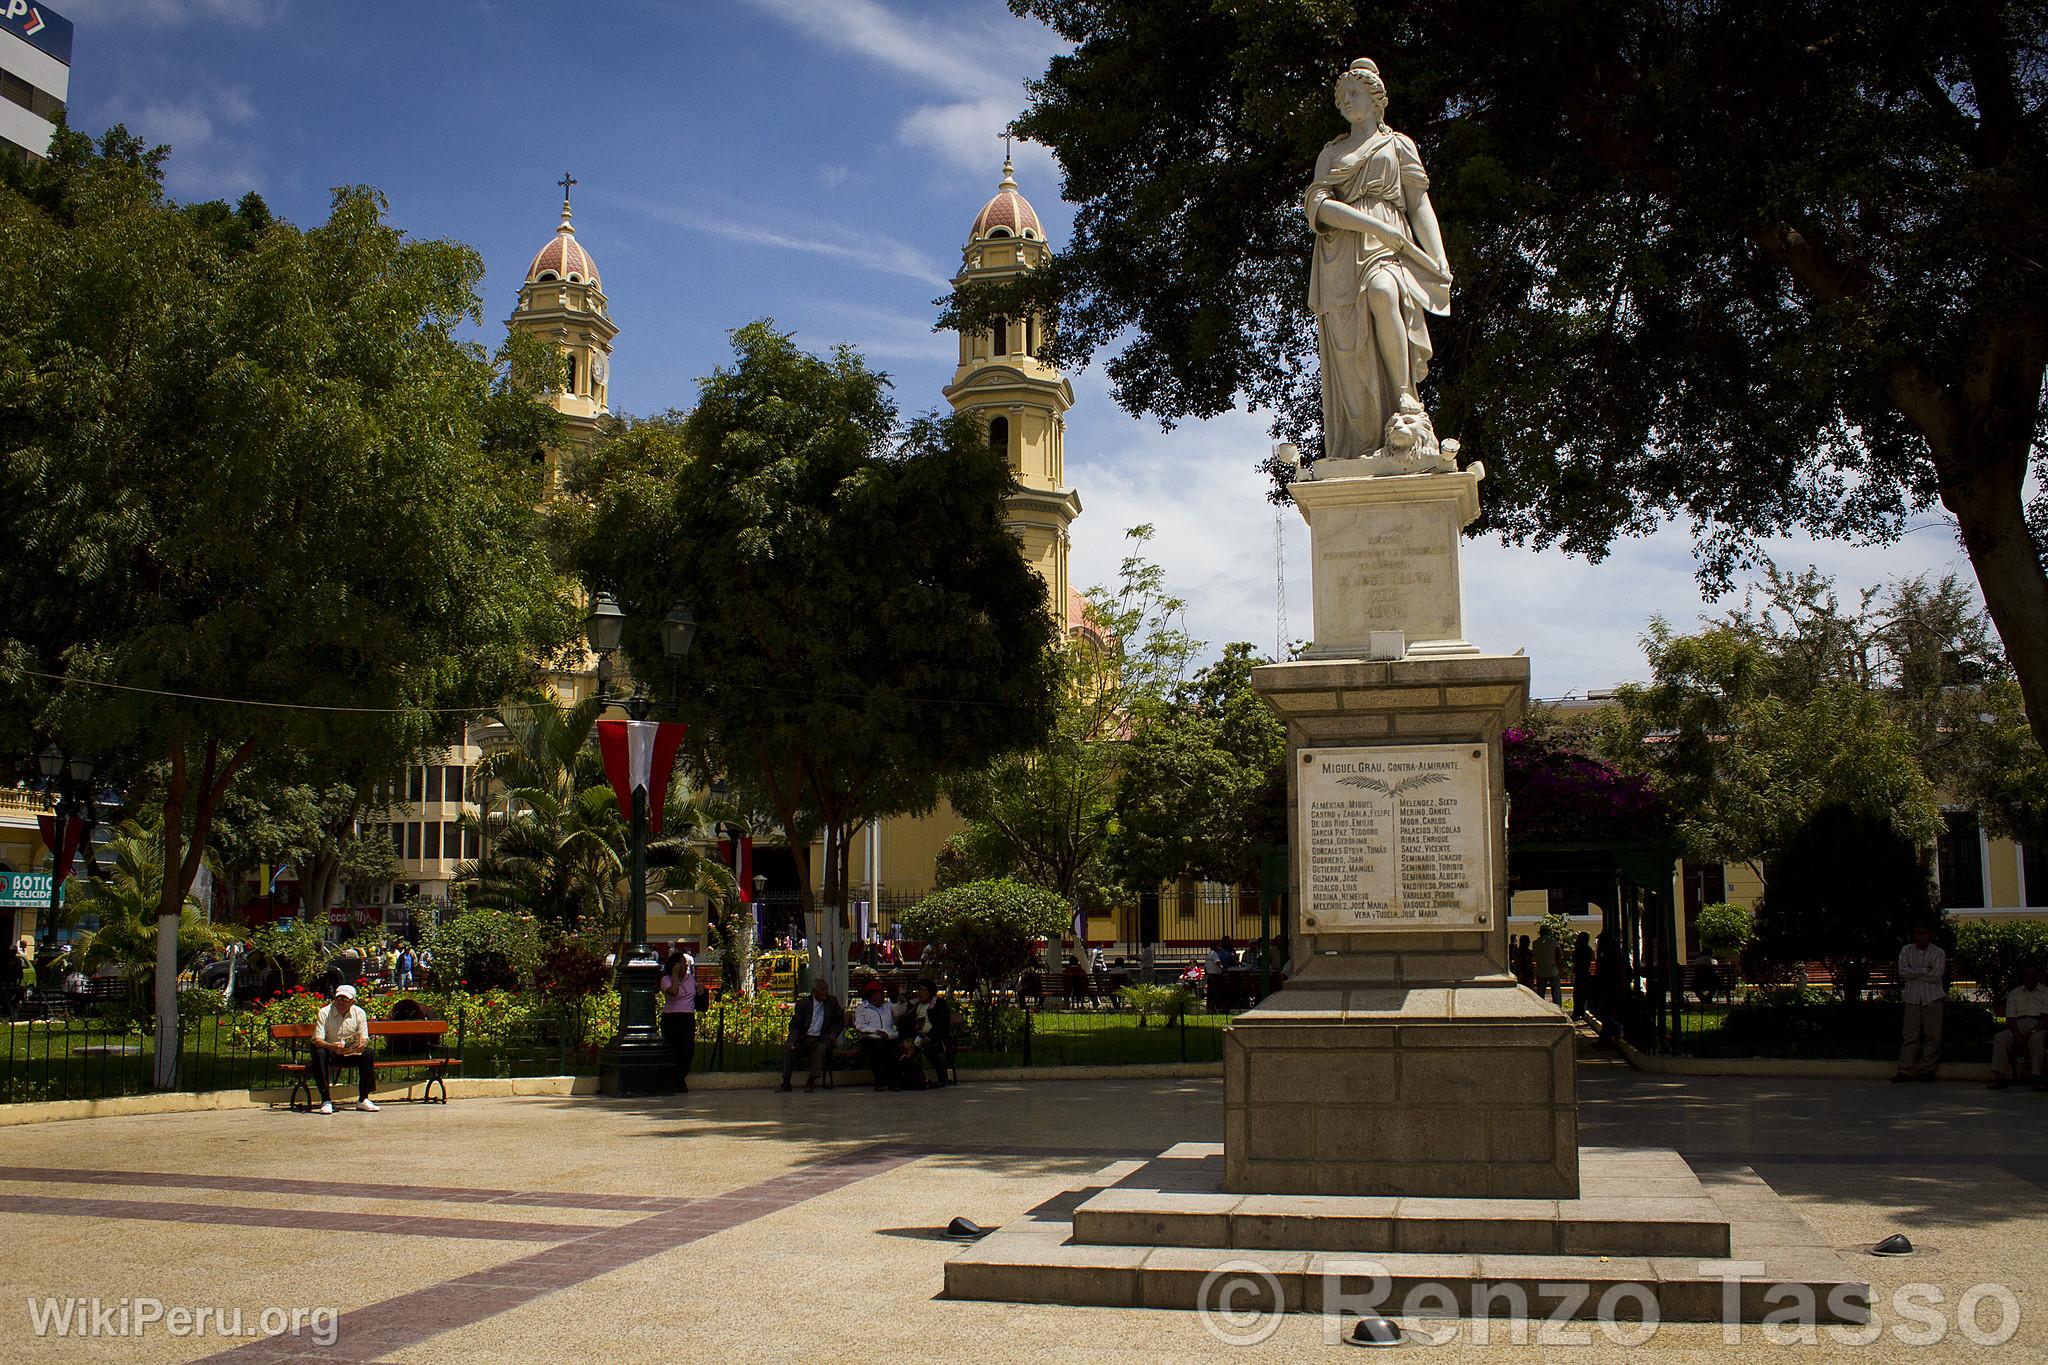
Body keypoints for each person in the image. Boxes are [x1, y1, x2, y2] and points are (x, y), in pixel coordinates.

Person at [1304, 57, 1452, 465]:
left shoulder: (1398, 145)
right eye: (1343, 95)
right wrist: (1370, 223)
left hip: (1389, 244)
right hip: (1340, 254)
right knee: (1349, 353)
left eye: (1356, 93)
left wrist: (1438, 259)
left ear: (1375, 99)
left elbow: (1419, 203)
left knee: (1385, 291)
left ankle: (1405, 394)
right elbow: (1318, 207)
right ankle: (1363, 437)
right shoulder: (1332, 152)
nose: (1347, 100)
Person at [309, 983, 377, 1114]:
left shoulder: (359, 1013)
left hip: (351, 1053)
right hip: (331, 1052)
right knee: (319, 1053)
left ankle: (363, 1098)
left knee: (369, 1054)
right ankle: (326, 1100)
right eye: (338, 998)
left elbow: (364, 1037)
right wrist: (333, 1047)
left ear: (352, 1001)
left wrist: (361, 1044)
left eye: (345, 999)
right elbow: (317, 1040)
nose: (341, 1002)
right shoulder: (324, 1012)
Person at [1894, 923, 1947, 1083]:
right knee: (1910, 1035)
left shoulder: (1938, 952)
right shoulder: (1906, 951)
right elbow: (1903, 972)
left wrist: (1915, 971)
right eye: (1918, 933)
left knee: (1932, 1036)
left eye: (1924, 933)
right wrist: (1925, 970)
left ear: (1930, 935)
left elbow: (1936, 975)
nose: (1920, 936)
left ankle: (1927, 1069)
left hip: (1932, 998)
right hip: (1912, 998)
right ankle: (1905, 1069)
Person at [1987, 963, 2048, 1090]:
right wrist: (2016, 1034)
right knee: (2000, 1037)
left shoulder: (2045, 992)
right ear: (2023, 977)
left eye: (2032, 976)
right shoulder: (2015, 993)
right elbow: (2010, 1018)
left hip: (2038, 1025)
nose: (2029, 979)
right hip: (2017, 1024)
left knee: (2037, 1039)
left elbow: (2047, 1018)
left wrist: (2033, 1031)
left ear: (2038, 977)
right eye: (2026, 976)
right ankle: (1999, 1077)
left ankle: (2036, 1077)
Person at [779, 978, 843, 1092]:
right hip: (805, 1038)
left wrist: (833, 1033)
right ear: (814, 991)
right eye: (822, 989)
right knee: (788, 1048)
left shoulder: (831, 1002)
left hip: (821, 1039)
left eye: (827, 989)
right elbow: (795, 1024)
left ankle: (811, 1080)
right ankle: (786, 1082)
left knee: (820, 1049)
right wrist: (792, 1040)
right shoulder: (803, 1004)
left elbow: (840, 1020)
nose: (826, 992)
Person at [660, 951, 708, 1093]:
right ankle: (672, 1080)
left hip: (687, 1017)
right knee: (673, 1049)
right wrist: (675, 975)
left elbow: (695, 994)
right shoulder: (666, 979)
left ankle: (681, 1078)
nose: (683, 966)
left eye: (685, 963)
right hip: (671, 1017)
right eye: (680, 963)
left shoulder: (690, 979)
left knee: (687, 1050)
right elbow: (674, 992)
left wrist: (700, 991)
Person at [900, 979, 956, 1088]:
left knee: (928, 1049)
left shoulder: (939, 1004)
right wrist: (908, 1039)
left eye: (923, 990)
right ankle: (918, 1079)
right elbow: (906, 1023)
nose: (920, 992)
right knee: (908, 1049)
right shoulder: (916, 1006)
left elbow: (942, 1026)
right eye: (918, 990)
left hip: (938, 1038)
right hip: (919, 1037)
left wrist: (929, 1037)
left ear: (930, 992)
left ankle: (942, 1076)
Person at [852, 980, 902, 1091]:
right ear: (872, 996)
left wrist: (901, 1000)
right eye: (879, 994)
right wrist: (876, 1031)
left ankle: (893, 1081)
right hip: (871, 1038)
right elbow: (859, 1026)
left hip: (888, 1037)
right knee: (877, 1048)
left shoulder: (888, 1006)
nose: (882, 997)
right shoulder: (861, 1009)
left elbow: (898, 1012)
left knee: (893, 1049)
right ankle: (880, 1080)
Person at [1532, 925, 1562, 1006]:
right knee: (1556, 994)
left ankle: (1540, 1008)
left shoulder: (1535, 943)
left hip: (1540, 970)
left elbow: (1534, 956)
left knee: (1540, 994)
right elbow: (1559, 955)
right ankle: (1558, 1008)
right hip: (1553, 970)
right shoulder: (1554, 942)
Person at [1570, 931, 1594, 1020]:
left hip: (1580, 974)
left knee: (1578, 995)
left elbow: (1574, 960)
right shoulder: (1588, 949)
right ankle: (1582, 1011)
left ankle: (1578, 1011)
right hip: (1584, 973)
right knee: (1583, 995)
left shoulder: (1579, 949)